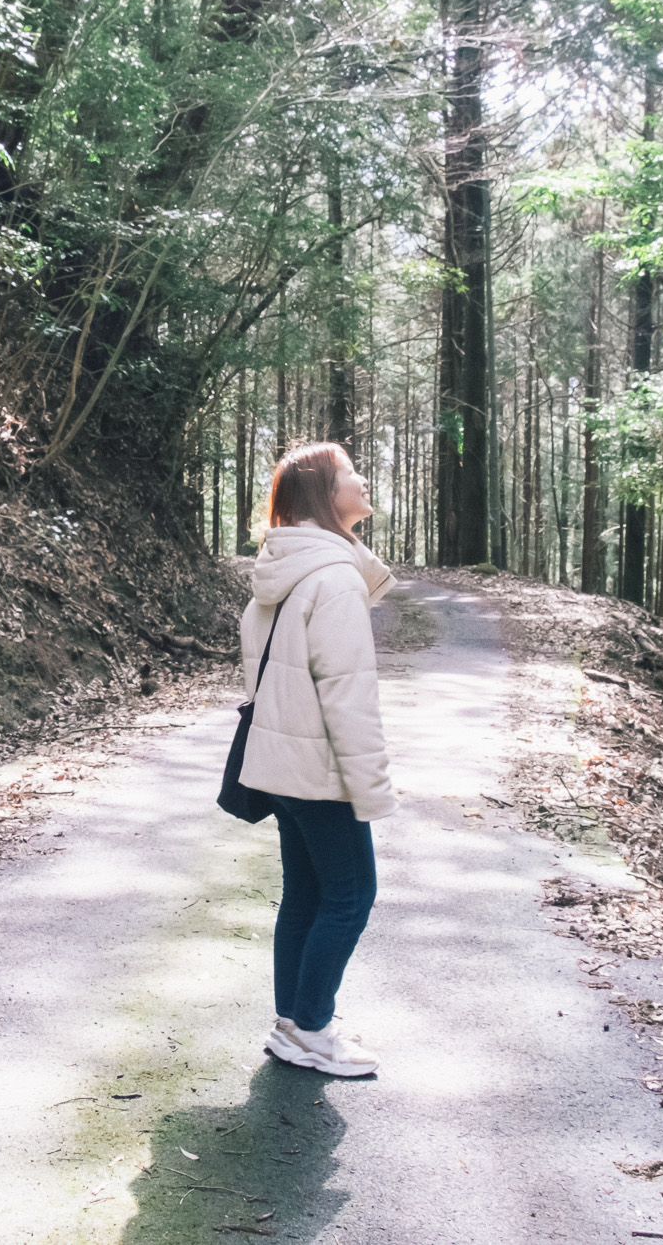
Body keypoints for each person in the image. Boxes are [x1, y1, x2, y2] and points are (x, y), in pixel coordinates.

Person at [239, 441, 396, 1077]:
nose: (363, 480)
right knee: (352, 895)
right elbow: (347, 694)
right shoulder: (332, 580)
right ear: (324, 495)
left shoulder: (285, 571)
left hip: (278, 761)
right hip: (319, 768)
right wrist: (370, 785)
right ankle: (312, 1028)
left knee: (304, 893)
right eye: (350, 473)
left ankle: (293, 1024)